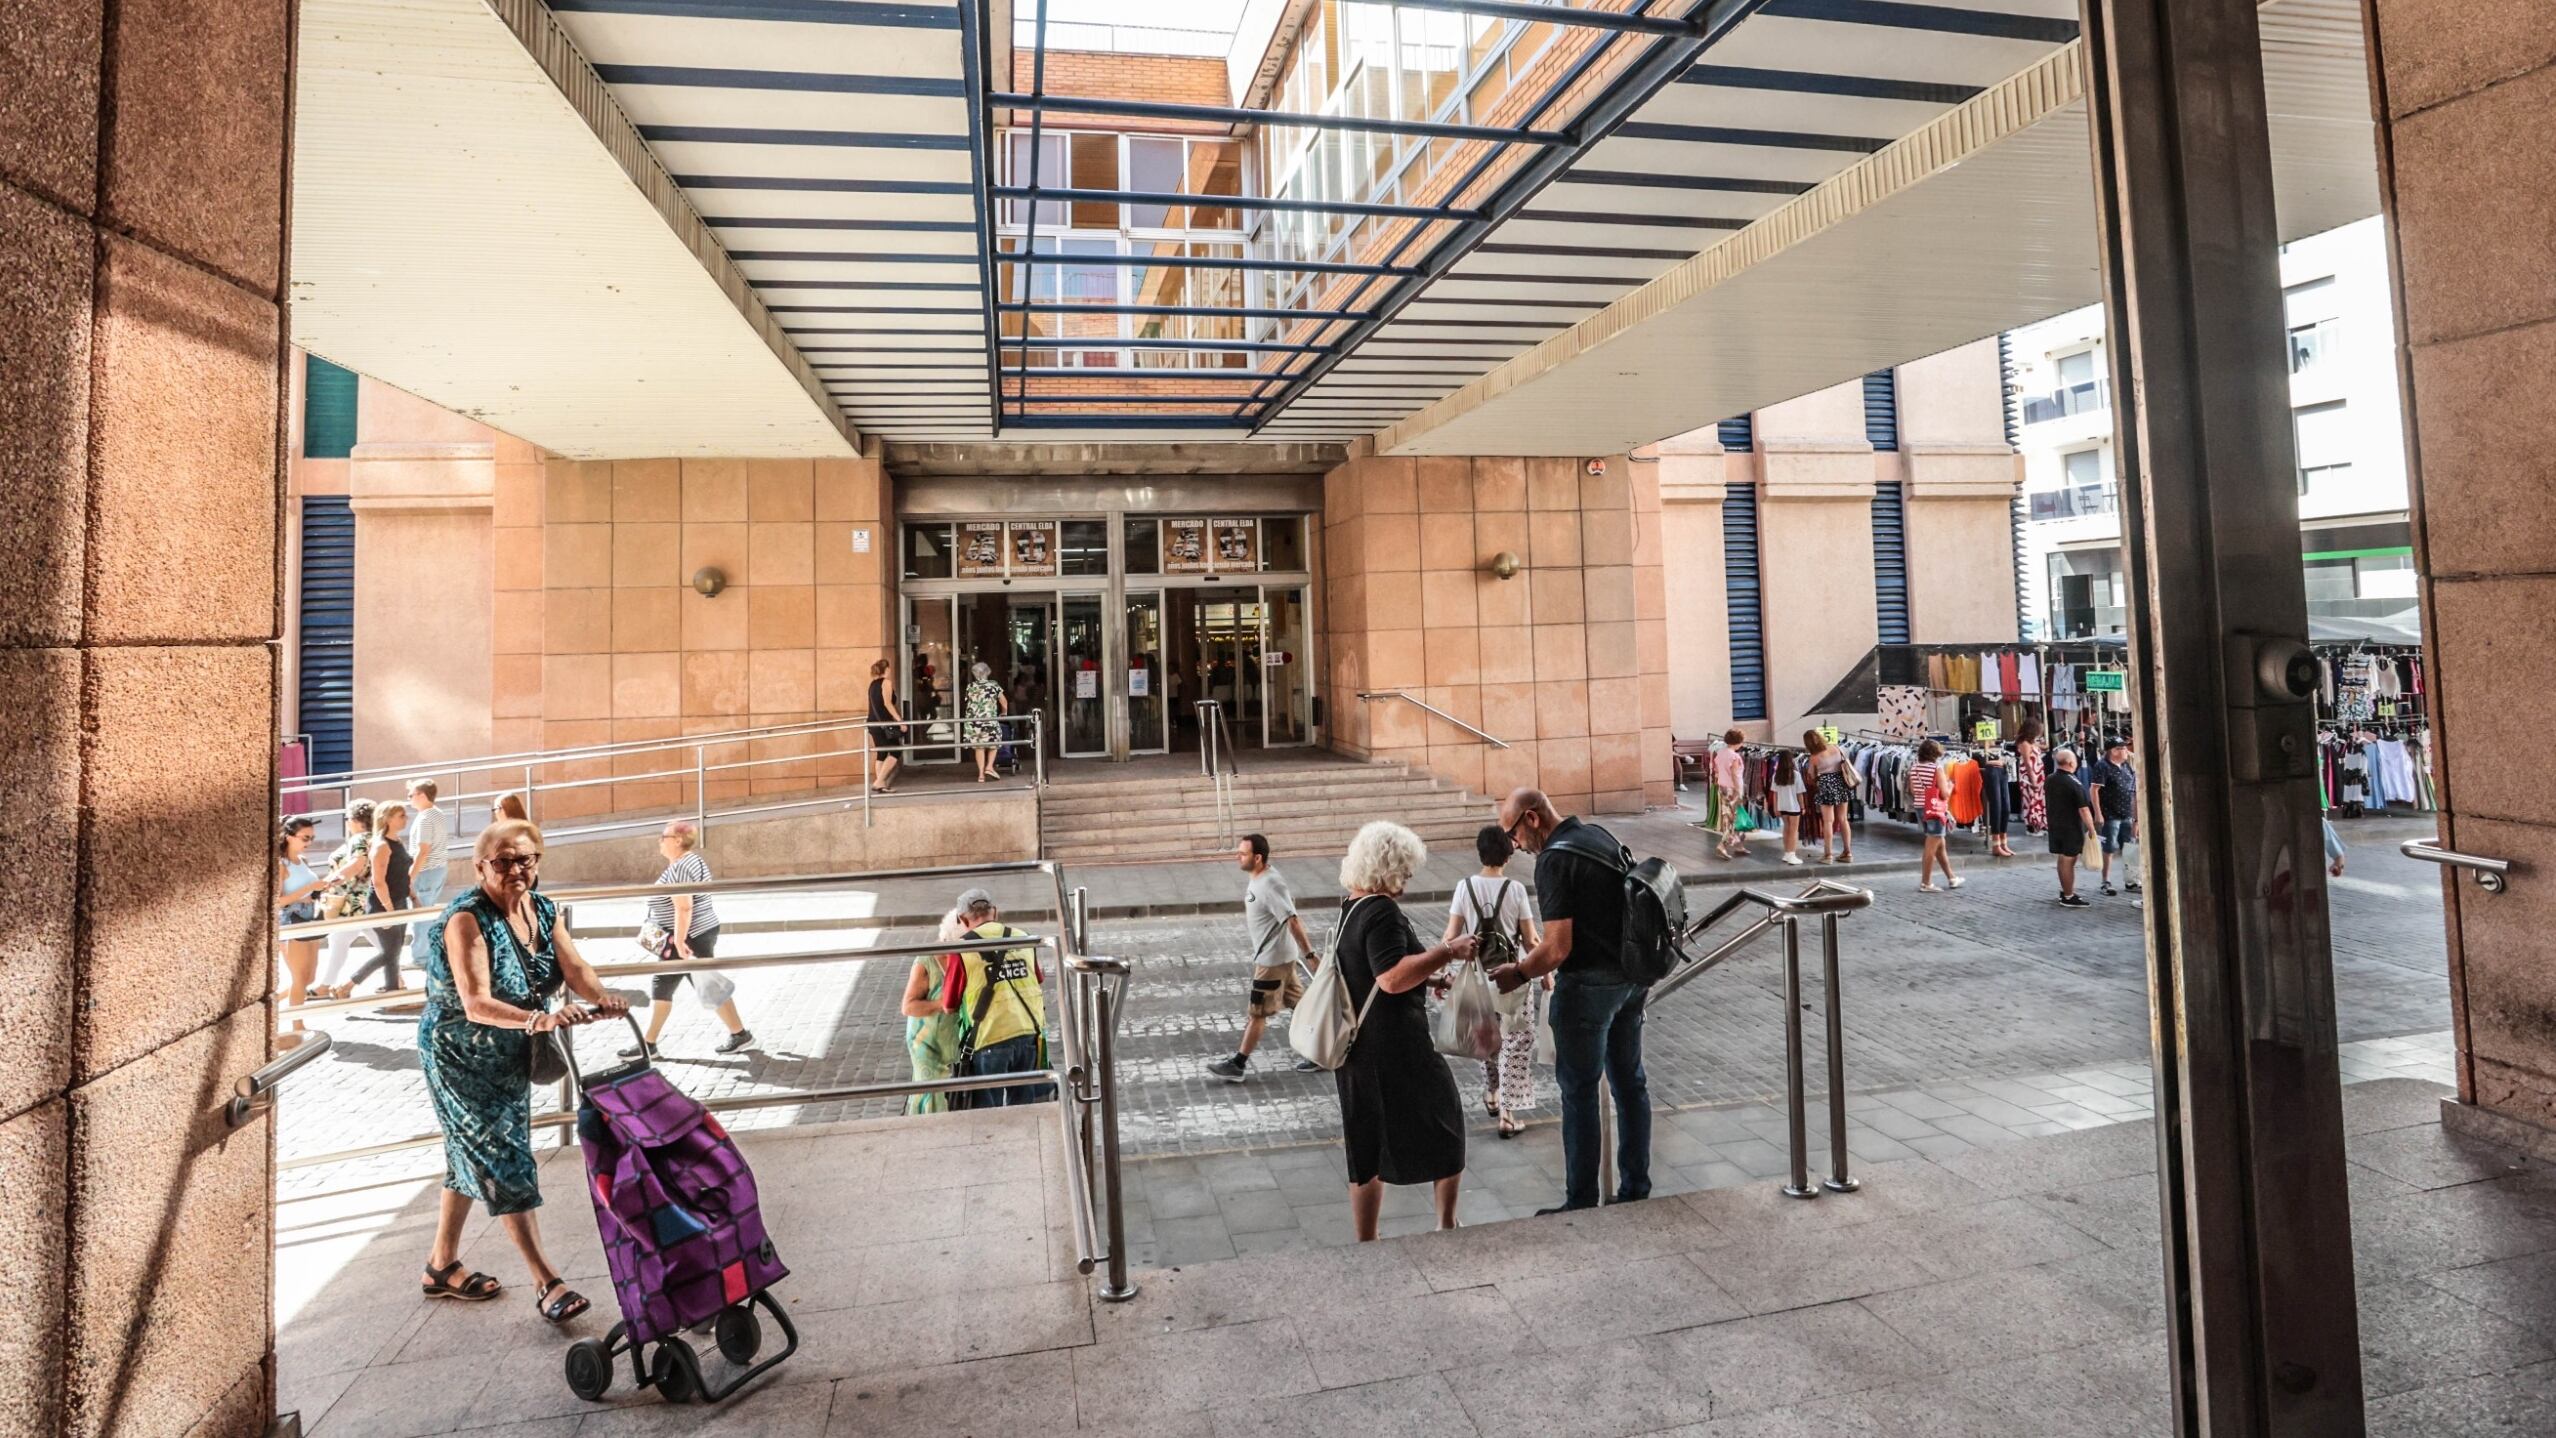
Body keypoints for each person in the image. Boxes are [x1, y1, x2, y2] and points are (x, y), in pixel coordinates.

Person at [415, 819, 627, 1323]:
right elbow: (475, 1001)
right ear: (481, 866)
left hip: (513, 1053)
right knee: (502, 1159)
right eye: (504, 861)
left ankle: (440, 1266)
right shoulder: (467, 919)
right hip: (461, 1058)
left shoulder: (541, 906)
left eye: (526, 859)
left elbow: (573, 967)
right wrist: (540, 1018)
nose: (517, 869)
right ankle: (546, 1282)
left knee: (471, 1155)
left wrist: (602, 997)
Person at [1488, 788, 1651, 1213]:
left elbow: (1556, 948)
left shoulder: (1555, 860)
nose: (1515, 845)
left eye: (1513, 834)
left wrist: (1519, 972)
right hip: (1631, 979)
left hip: (1587, 989)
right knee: (1629, 1083)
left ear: (1532, 818)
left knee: (1579, 1091)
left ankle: (1580, 1200)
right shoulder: (1597, 835)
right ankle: (1635, 1188)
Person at [1330, 821, 1473, 1239]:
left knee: (1366, 1146)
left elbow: (1366, 973)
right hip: (1397, 1048)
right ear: (1388, 867)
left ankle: (1366, 1239)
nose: (1408, 878)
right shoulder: (1381, 911)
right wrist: (1448, 950)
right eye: (1405, 870)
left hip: (1357, 1051)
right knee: (1447, 1124)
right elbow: (1390, 978)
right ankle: (1446, 1223)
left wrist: (1429, 980)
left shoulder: (1351, 907)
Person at [1442, 824, 1545, 1138]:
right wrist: (1548, 973)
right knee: (1516, 1042)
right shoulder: (1515, 889)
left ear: (1479, 853)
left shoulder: (1464, 887)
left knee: (1485, 1041)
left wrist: (1444, 972)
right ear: (1508, 856)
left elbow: (1450, 936)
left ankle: (1491, 1092)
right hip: (1511, 979)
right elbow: (1531, 940)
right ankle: (1508, 1115)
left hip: (1475, 977)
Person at [621, 821, 754, 1059]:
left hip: (686, 937)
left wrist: (681, 941)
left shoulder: (680, 868)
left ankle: (648, 1044)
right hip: (698, 932)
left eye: (664, 836)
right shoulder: (691, 860)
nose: (660, 841)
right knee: (705, 982)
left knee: (664, 983)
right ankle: (740, 1034)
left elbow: (683, 907)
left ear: (678, 840)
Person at [1207, 834, 1321, 1082]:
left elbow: (1292, 920)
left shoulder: (1270, 884)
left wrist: (1310, 954)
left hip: (1272, 961)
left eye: (1243, 853)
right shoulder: (1260, 878)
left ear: (1257, 858)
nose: (1238, 856)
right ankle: (1323, 1051)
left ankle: (1238, 1064)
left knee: (1257, 1012)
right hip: (1280, 957)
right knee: (1302, 1006)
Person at [943, 888, 1053, 1107]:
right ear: (995, 911)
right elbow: (1037, 978)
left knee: (988, 1116)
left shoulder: (960, 950)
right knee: (1024, 1111)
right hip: (1028, 1033)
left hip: (988, 1039)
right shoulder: (1024, 937)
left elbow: (949, 1004)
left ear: (962, 919)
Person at [900, 909, 969, 1114]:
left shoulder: (968, 958)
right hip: (926, 1042)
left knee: (956, 1094)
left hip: (954, 1040)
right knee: (931, 1094)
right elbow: (908, 1006)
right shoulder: (927, 962)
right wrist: (942, 1003)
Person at [345, 801, 414, 993]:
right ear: (387, 819)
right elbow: (379, 881)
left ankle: (391, 990)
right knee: (390, 952)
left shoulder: (397, 842)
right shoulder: (381, 845)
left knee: (395, 950)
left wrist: (412, 895)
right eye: (401, 816)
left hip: (399, 900)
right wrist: (389, 909)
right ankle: (349, 984)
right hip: (383, 904)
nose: (406, 819)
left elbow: (401, 873)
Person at [312, 799, 375, 999]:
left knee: (340, 941)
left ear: (356, 820)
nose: (346, 822)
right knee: (341, 942)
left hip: (352, 901)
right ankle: (397, 980)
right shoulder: (375, 838)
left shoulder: (359, 839)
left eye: (347, 818)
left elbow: (357, 864)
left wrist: (330, 881)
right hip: (363, 900)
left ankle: (324, 986)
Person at [276, 818, 329, 1044]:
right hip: (291, 920)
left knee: (309, 977)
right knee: (299, 977)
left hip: (309, 917)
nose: (309, 842)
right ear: (289, 836)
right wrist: (310, 888)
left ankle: (273, 1004)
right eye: (305, 838)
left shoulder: (301, 861)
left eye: (312, 838)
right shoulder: (281, 865)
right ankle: (297, 1025)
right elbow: (279, 901)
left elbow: (303, 892)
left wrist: (319, 890)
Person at [2087, 737, 2143, 897]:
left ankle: (2131, 880)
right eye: (2123, 748)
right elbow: (2094, 790)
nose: (2126, 751)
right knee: (2109, 847)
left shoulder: (2126, 765)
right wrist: (2098, 813)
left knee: (2129, 847)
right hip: (2110, 814)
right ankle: (2106, 881)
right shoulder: (2102, 766)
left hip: (2126, 813)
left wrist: (2135, 817)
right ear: (2114, 751)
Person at [2046, 749, 2099, 908]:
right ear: (2071, 763)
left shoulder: (2050, 779)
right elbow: (2084, 809)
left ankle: (2065, 890)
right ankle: (2069, 895)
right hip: (2071, 827)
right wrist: (2092, 829)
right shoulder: (2074, 783)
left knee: (2062, 859)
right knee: (2069, 860)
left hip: (2055, 824)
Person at [404, 777, 452, 951]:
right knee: (428, 913)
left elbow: (422, 850)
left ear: (422, 795)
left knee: (421, 914)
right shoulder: (438, 813)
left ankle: (421, 955)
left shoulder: (424, 819)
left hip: (426, 871)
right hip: (437, 869)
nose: (409, 798)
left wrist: (411, 876)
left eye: (411, 795)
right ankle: (431, 951)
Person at [1912, 739, 1963, 893]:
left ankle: (1952, 878)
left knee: (1939, 844)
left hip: (1921, 807)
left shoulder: (1914, 768)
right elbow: (1944, 793)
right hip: (1935, 808)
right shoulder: (1937, 768)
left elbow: (1912, 790)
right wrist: (1951, 784)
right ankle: (1926, 883)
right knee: (1931, 846)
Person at [1804, 729, 1859, 863]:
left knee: (1828, 821)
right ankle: (1847, 852)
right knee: (1843, 819)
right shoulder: (1835, 747)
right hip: (1841, 782)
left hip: (1825, 785)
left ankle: (1828, 855)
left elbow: (1811, 776)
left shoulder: (1814, 757)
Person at [962, 660, 1007, 783]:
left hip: (973, 721)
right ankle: (989, 767)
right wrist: (1004, 712)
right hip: (989, 719)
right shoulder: (994, 685)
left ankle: (981, 775)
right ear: (987, 672)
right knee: (994, 742)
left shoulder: (970, 686)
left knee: (979, 746)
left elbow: (968, 701)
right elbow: (1003, 701)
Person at [866, 658, 905, 794]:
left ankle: (881, 784)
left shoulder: (872, 685)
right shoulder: (886, 682)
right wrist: (899, 720)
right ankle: (879, 782)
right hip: (884, 724)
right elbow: (888, 703)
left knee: (882, 753)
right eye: (889, 669)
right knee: (896, 751)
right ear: (886, 669)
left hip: (873, 723)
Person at [1711, 729, 1749, 860]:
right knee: (1734, 819)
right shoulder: (1735, 757)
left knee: (1731, 816)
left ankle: (1739, 845)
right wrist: (1739, 791)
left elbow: (1716, 770)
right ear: (1738, 742)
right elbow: (1735, 774)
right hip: (1733, 789)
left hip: (1723, 788)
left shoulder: (1720, 754)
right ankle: (1722, 845)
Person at [1769, 750, 1807, 866]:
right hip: (1794, 806)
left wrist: (1776, 807)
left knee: (1786, 829)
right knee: (1794, 831)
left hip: (1782, 806)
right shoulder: (1796, 775)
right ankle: (1792, 854)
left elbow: (1774, 793)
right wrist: (1803, 806)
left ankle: (1786, 853)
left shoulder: (1776, 775)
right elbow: (1799, 793)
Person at [1980, 743, 2017, 859]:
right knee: (1997, 807)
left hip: (2003, 769)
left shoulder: (2000, 745)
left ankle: (2003, 843)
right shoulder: (1982, 742)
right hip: (1990, 769)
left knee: (2006, 808)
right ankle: (1996, 845)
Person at [2017, 719, 2049, 835]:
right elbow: (2027, 762)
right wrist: (2032, 778)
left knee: (2038, 799)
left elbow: (2044, 746)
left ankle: (2039, 824)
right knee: (2031, 800)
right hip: (2031, 775)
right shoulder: (2025, 744)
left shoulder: (2031, 742)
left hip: (2037, 774)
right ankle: (2032, 826)